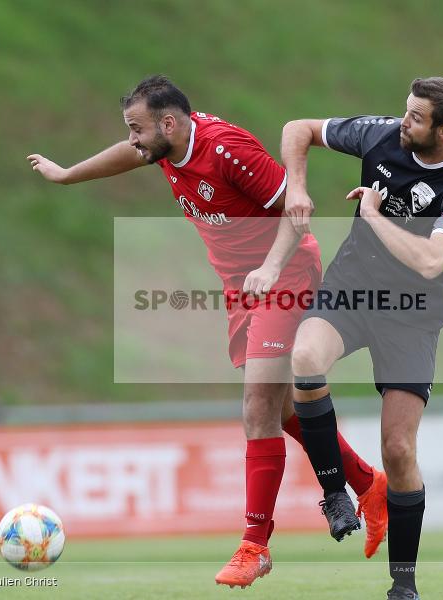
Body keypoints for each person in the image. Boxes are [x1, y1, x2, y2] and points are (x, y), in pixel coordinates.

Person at [26, 75, 388, 589]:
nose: (132, 139)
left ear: (169, 124)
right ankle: (369, 485)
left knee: (256, 408)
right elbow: (130, 154)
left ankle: (254, 546)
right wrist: (67, 175)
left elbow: (296, 211)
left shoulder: (227, 150)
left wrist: (269, 268)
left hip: (282, 275)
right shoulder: (165, 146)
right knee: (282, 409)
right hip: (241, 287)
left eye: (137, 128)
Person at [280, 76, 443, 600]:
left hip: (412, 314)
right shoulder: (380, 134)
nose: (404, 122)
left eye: (417, 117)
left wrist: (372, 214)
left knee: (397, 450)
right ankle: (335, 493)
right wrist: (297, 187)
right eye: (406, 110)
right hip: (352, 289)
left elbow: (431, 260)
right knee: (305, 357)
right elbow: (298, 128)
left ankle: (403, 585)